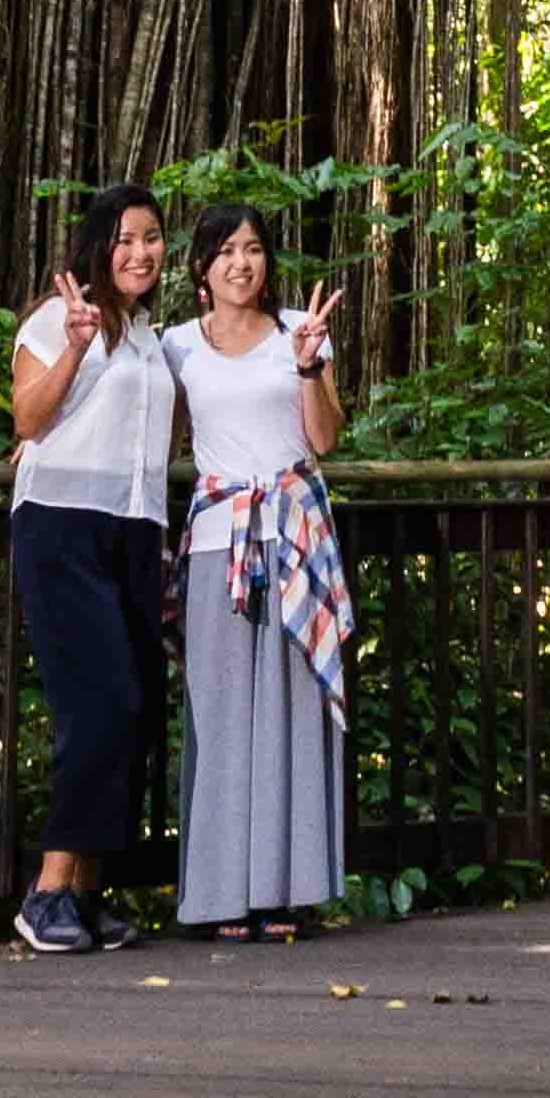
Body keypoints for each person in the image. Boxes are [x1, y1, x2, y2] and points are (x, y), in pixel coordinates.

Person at [166, 201, 350, 938]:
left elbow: (326, 437)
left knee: (290, 716)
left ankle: (284, 889)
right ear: (202, 268)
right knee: (218, 715)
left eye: (254, 249)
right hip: (218, 542)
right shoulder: (176, 345)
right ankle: (216, 896)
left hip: (294, 537)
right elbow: (134, 406)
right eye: (226, 251)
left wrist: (308, 363)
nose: (242, 262)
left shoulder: (298, 337)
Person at [5, 181, 178, 955]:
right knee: (99, 702)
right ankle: (46, 892)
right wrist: (75, 346)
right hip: (63, 526)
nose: (140, 251)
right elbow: (28, 418)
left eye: (152, 237)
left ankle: (87, 890)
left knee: (136, 706)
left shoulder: (152, 339)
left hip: (136, 530)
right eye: (125, 238)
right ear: (99, 245)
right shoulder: (58, 318)